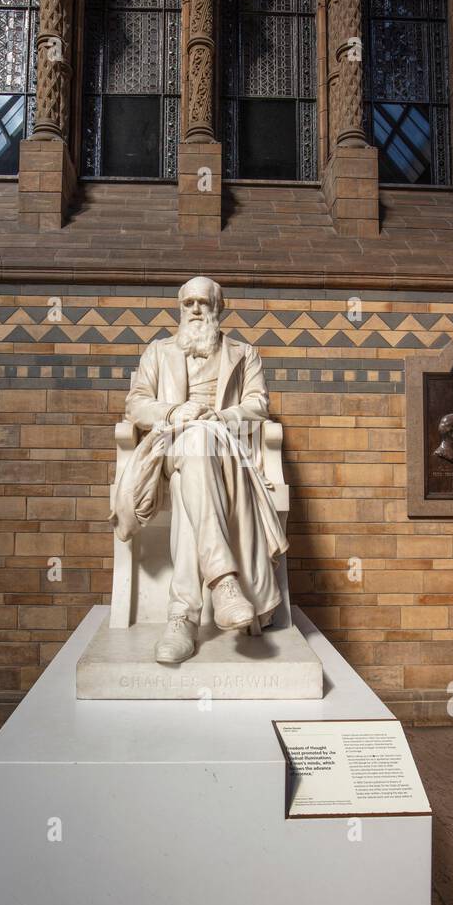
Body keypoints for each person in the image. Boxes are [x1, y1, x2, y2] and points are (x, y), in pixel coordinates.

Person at [111, 276, 288, 664]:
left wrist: (219, 417)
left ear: (218, 308)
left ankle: (183, 617)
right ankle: (224, 583)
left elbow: (258, 405)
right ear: (180, 308)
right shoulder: (157, 352)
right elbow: (136, 405)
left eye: (203, 303)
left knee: (197, 458)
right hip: (169, 446)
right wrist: (175, 411)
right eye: (188, 302)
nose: (195, 309)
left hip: (223, 449)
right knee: (192, 443)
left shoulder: (244, 354)